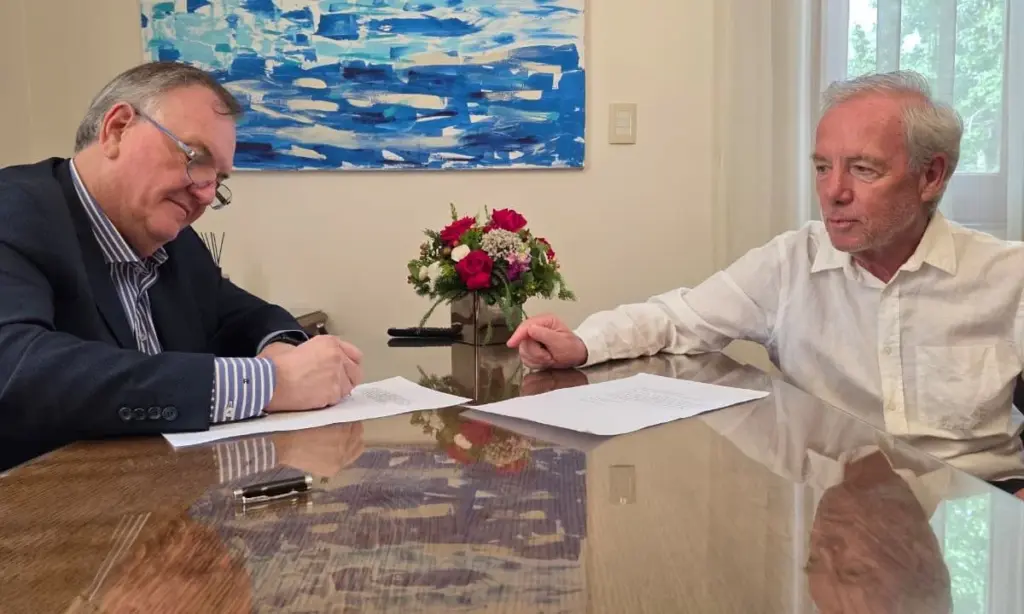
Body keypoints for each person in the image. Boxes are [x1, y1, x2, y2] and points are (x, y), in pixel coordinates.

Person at [508, 69, 1024, 492]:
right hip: (843, 502)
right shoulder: (791, 263)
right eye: (822, 167)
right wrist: (581, 345)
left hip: (976, 504)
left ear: (931, 176)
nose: (834, 192)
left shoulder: (1008, 275)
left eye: (863, 169)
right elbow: (676, 318)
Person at [0, 61, 363, 470]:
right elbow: (17, 370)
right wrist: (269, 384)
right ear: (117, 129)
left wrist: (283, 348)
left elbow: (245, 316)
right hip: (40, 499)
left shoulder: (174, 243)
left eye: (218, 180)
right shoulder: (14, 210)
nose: (206, 195)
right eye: (196, 158)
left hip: (165, 491)